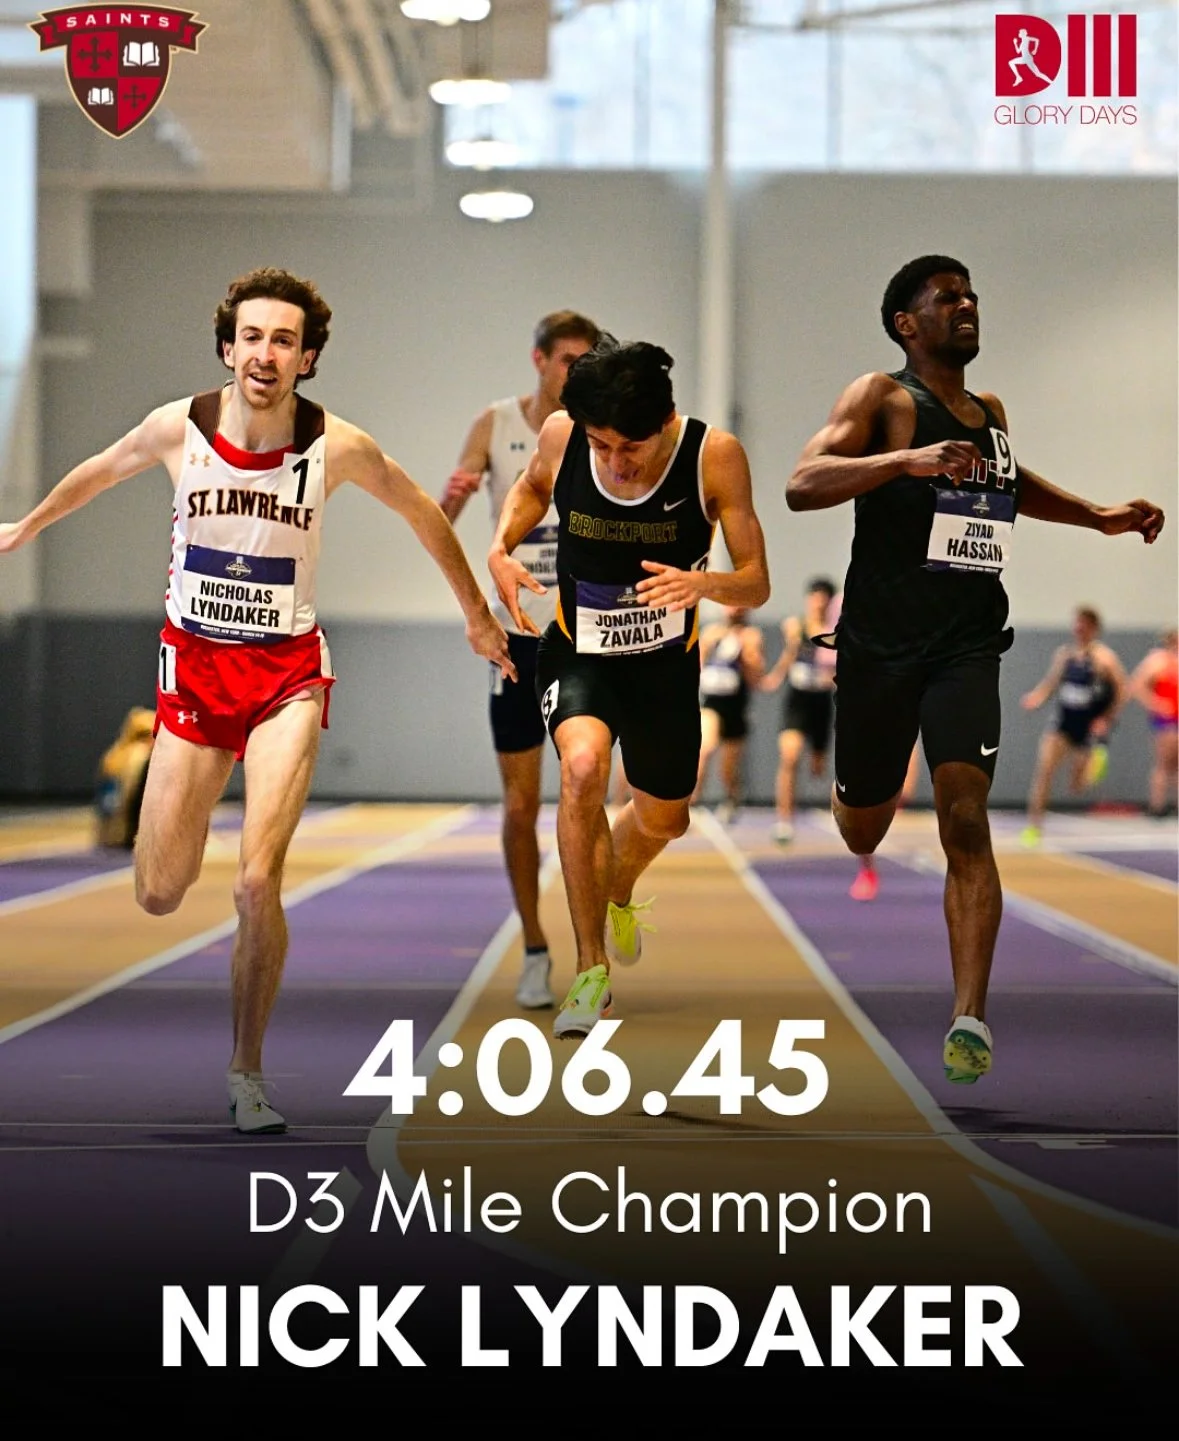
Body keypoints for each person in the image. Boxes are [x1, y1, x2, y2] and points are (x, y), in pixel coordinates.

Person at [0, 267, 513, 1133]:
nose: (265, 354)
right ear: (227, 347)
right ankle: (181, 801)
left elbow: (421, 510)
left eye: (283, 340)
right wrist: (25, 527)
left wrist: (475, 613)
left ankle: (247, 1071)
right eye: (251, 337)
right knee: (159, 890)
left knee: (253, 881)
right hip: (196, 675)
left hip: (286, 675)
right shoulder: (180, 427)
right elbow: (102, 470)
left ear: (306, 358)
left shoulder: (336, 445)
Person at [785, 254, 1164, 1085]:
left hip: (966, 642)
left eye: (970, 294)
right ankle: (856, 794)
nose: (966, 305)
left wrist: (1096, 515)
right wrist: (901, 462)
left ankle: (968, 1017)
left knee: (964, 814)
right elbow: (802, 483)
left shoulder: (989, 413)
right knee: (862, 827)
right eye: (946, 298)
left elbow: (1008, 484)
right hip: (880, 648)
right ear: (905, 324)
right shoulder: (880, 398)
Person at [488, 337, 770, 1038]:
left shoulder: (713, 455)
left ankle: (616, 883)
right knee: (581, 768)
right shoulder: (561, 435)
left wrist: (703, 582)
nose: (615, 462)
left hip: (664, 665)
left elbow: (755, 581)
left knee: (666, 819)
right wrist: (500, 548)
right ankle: (590, 972)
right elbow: (531, 488)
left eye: (631, 448)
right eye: (600, 445)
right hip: (577, 650)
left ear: (666, 420)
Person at [440, 311, 602, 1010]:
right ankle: (535, 946)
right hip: (516, 636)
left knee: (588, 789)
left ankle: (597, 932)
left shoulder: (600, 426)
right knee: (519, 804)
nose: (577, 371)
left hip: (587, 631)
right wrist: (449, 502)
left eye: (587, 360)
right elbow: (443, 515)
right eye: (568, 360)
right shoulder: (495, 423)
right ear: (539, 360)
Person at [1019, 606, 1126, 845]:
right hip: (1062, 723)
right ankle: (1034, 827)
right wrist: (1036, 698)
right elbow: (1051, 683)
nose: (1079, 628)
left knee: (1076, 786)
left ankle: (1094, 763)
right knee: (1044, 771)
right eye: (1077, 623)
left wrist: (1106, 719)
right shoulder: (1065, 655)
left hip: (1086, 725)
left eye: (1084, 624)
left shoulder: (1104, 658)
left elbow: (1122, 690)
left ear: (1094, 628)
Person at [760, 578, 839, 848]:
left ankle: (838, 812)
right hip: (797, 700)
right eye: (815, 597)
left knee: (817, 768)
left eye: (824, 599)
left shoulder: (835, 632)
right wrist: (775, 677)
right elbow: (788, 657)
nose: (819, 603)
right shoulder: (796, 626)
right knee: (790, 756)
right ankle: (784, 820)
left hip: (822, 702)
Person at [692, 605, 765, 823]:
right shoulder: (711, 633)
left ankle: (732, 799)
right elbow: (697, 666)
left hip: (736, 706)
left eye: (739, 607)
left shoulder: (752, 636)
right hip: (711, 702)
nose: (734, 610)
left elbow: (756, 679)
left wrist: (747, 654)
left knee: (728, 768)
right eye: (730, 606)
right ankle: (692, 802)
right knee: (705, 748)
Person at [1128, 628, 1178, 817]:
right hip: (1167, 719)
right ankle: (1157, 806)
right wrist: (1156, 704)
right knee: (1164, 763)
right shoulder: (1158, 661)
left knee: (1175, 765)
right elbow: (1136, 684)